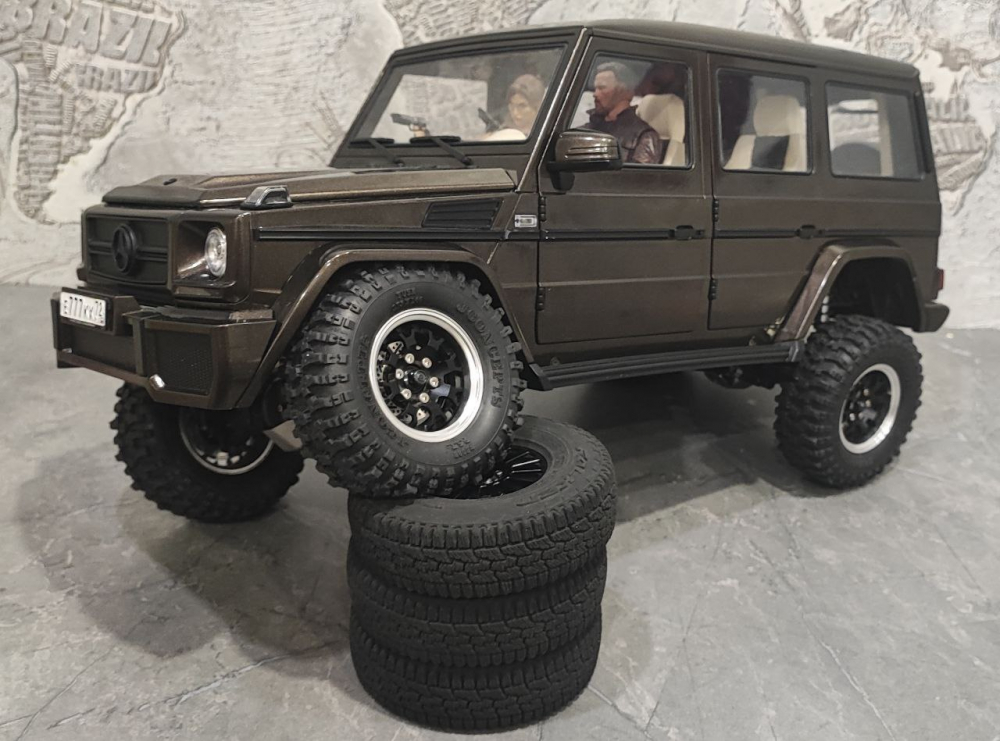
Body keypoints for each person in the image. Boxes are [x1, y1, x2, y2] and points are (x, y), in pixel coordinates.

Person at [586, 62, 662, 164]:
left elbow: (639, 173)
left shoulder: (644, 136)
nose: (595, 94)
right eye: (595, 88)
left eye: (602, 88)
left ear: (623, 91)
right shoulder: (587, 129)